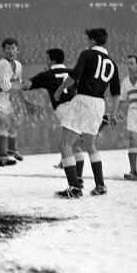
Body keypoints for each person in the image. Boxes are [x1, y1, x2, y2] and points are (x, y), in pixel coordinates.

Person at [53, 28, 121, 198]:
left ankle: (74, 187)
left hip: (84, 99)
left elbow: (74, 76)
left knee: (65, 144)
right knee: (89, 144)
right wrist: (113, 113)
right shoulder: (112, 63)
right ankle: (100, 185)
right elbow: (116, 92)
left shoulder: (87, 54)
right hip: (100, 104)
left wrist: (60, 89)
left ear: (91, 41)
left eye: (87, 40)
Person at [22, 48, 86, 184]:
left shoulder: (47, 75)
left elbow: (26, 86)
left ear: (52, 60)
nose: (45, 61)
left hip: (65, 109)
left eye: (47, 58)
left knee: (65, 145)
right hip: (79, 109)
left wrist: (12, 83)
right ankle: (78, 180)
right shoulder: (71, 72)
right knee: (74, 146)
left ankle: (74, 185)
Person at [0, 37, 33, 167]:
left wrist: (25, 101)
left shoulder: (18, 65)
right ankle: (2, 158)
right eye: (8, 48)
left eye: (13, 48)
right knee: (4, 123)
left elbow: (17, 84)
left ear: (17, 50)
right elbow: (7, 87)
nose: (11, 51)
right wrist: (24, 86)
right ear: (3, 51)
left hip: (4, 99)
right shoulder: (3, 64)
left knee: (14, 123)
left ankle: (12, 150)